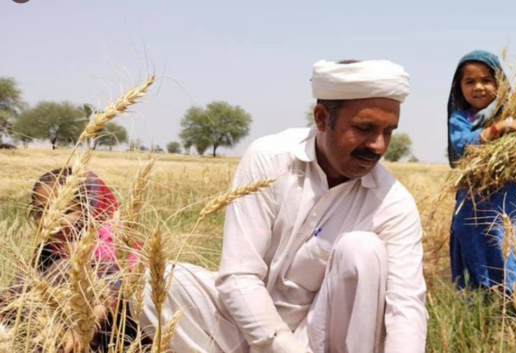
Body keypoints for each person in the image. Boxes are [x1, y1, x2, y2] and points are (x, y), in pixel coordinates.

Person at [140, 59, 428, 353]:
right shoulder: (271, 158)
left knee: (362, 250)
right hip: (244, 324)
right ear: (321, 118)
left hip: (320, 341)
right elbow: (239, 275)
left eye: (388, 131)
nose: (378, 145)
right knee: (151, 282)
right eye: (365, 128)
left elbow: (406, 305)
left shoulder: (393, 202)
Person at [1, 168, 144, 352]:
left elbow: (111, 290)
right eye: (39, 211)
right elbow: (14, 294)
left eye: (66, 211)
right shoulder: (48, 251)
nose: (48, 220)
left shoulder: (112, 245)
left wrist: (83, 327)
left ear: (90, 209)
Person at [447, 50, 516, 306]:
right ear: (459, 87)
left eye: (486, 80)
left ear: (499, 83)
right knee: (477, 260)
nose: (478, 87)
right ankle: (482, 321)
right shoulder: (460, 119)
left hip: (507, 206)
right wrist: (499, 128)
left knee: (513, 258)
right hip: (473, 207)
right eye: (469, 81)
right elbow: (462, 146)